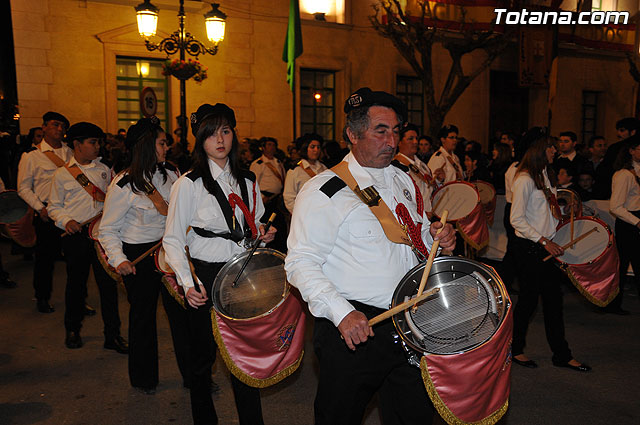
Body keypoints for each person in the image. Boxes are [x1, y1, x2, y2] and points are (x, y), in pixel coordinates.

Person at [285, 87, 456, 425]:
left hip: (411, 319)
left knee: (414, 416)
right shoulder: (324, 189)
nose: (392, 141)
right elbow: (300, 262)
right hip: (354, 325)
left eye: (396, 131)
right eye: (381, 131)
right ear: (352, 134)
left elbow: (417, 236)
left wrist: (439, 237)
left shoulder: (404, 180)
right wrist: (342, 314)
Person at [163, 103, 276, 425]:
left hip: (243, 273)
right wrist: (188, 282)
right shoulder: (189, 183)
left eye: (226, 131)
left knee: (245, 357)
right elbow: (172, 238)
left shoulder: (248, 179)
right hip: (206, 274)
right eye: (211, 134)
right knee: (203, 360)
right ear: (200, 140)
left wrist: (264, 233)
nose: (220, 139)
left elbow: (254, 222)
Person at [99, 117, 190, 394]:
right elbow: (108, 229)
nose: (167, 147)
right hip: (138, 253)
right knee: (142, 318)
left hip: (168, 251)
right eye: (162, 143)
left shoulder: (172, 175)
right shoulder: (124, 184)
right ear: (147, 146)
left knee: (183, 317)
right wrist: (119, 260)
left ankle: (194, 376)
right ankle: (143, 378)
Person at [510, 134, 591, 372]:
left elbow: (545, 213)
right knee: (528, 302)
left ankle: (562, 355)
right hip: (530, 248)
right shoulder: (524, 179)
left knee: (554, 302)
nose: (555, 151)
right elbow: (516, 219)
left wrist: (565, 211)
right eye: (551, 148)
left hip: (546, 245)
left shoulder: (544, 175)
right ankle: (514, 349)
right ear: (539, 150)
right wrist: (544, 240)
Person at [47, 122, 127, 352]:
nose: (97, 147)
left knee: (108, 287)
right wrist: (66, 221)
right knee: (76, 285)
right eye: (92, 142)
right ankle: (73, 329)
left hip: (103, 236)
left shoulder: (105, 169)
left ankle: (112, 335)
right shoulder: (62, 175)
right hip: (77, 236)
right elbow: (54, 206)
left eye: (98, 142)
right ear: (77, 145)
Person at [17, 111, 73, 313]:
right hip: (46, 214)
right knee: (45, 260)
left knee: (76, 262)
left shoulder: (71, 154)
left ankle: (77, 301)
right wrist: (40, 208)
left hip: (71, 213)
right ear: (44, 128)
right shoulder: (32, 157)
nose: (59, 129)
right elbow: (23, 188)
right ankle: (42, 296)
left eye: (63, 126)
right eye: (55, 125)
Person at [605, 137, 640, 315]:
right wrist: (637, 222)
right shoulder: (623, 174)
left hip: (636, 219)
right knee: (622, 264)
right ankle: (612, 304)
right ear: (631, 151)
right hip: (629, 223)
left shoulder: (636, 171)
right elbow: (615, 207)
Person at [393, 123, 443, 215]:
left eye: (416, 138)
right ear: (399, 142)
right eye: (410, 139)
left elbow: (428, 191)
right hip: (414, 218)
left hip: (430, 216)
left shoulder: (422, 165)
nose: (415, 142)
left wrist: (439, 181)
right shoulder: (395, 166)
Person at [250, 136, 288, 252]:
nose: (272, 148)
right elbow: (252, 183)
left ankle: (280, 250)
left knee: (279, 226)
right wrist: (261, 198)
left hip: (277, 199)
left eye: (273, 145)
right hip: (265, 200)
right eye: (269, 145)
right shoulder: (258, 164)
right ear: (263, 148)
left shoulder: (278, 162)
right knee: (266, 226)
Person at [593, 117, 639, 199]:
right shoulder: (615, 148)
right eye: (618, 130)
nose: (618, 133)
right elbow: (606, 169)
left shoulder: (617, 147)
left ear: (633, 132)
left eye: (622, 130)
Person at [283, 133, 327, 214]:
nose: (316, 150)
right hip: (303, 214)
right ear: (305, 148)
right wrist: (300, 214)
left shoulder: (324, 168)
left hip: (323, 212)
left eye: (318, 147)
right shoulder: (295, 170)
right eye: (312, 147)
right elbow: (289, 198)